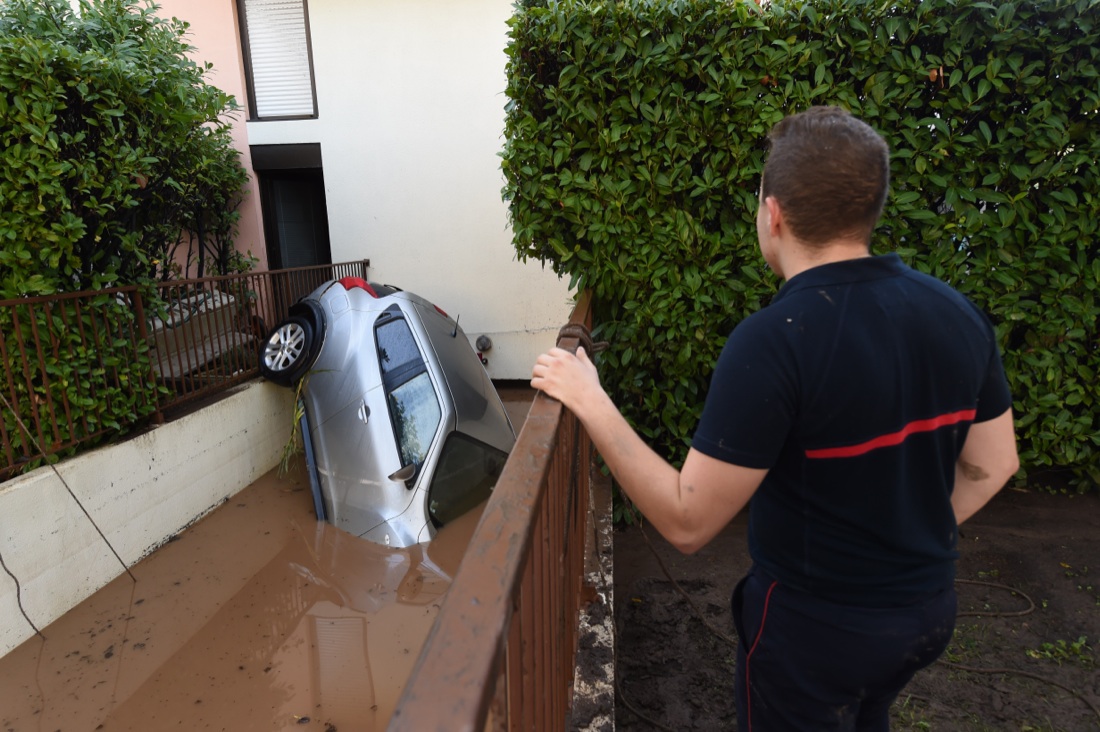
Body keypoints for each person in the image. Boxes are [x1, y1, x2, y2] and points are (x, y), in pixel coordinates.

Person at [530, 105, 1019, 731]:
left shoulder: (774, 340)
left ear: (774, 213)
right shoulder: (956, 312)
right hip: (923, 616)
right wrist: (906, 538)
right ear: (872, 208)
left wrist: (591, 399)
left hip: (815, 636)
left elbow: (687, 521)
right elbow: (993, 463)